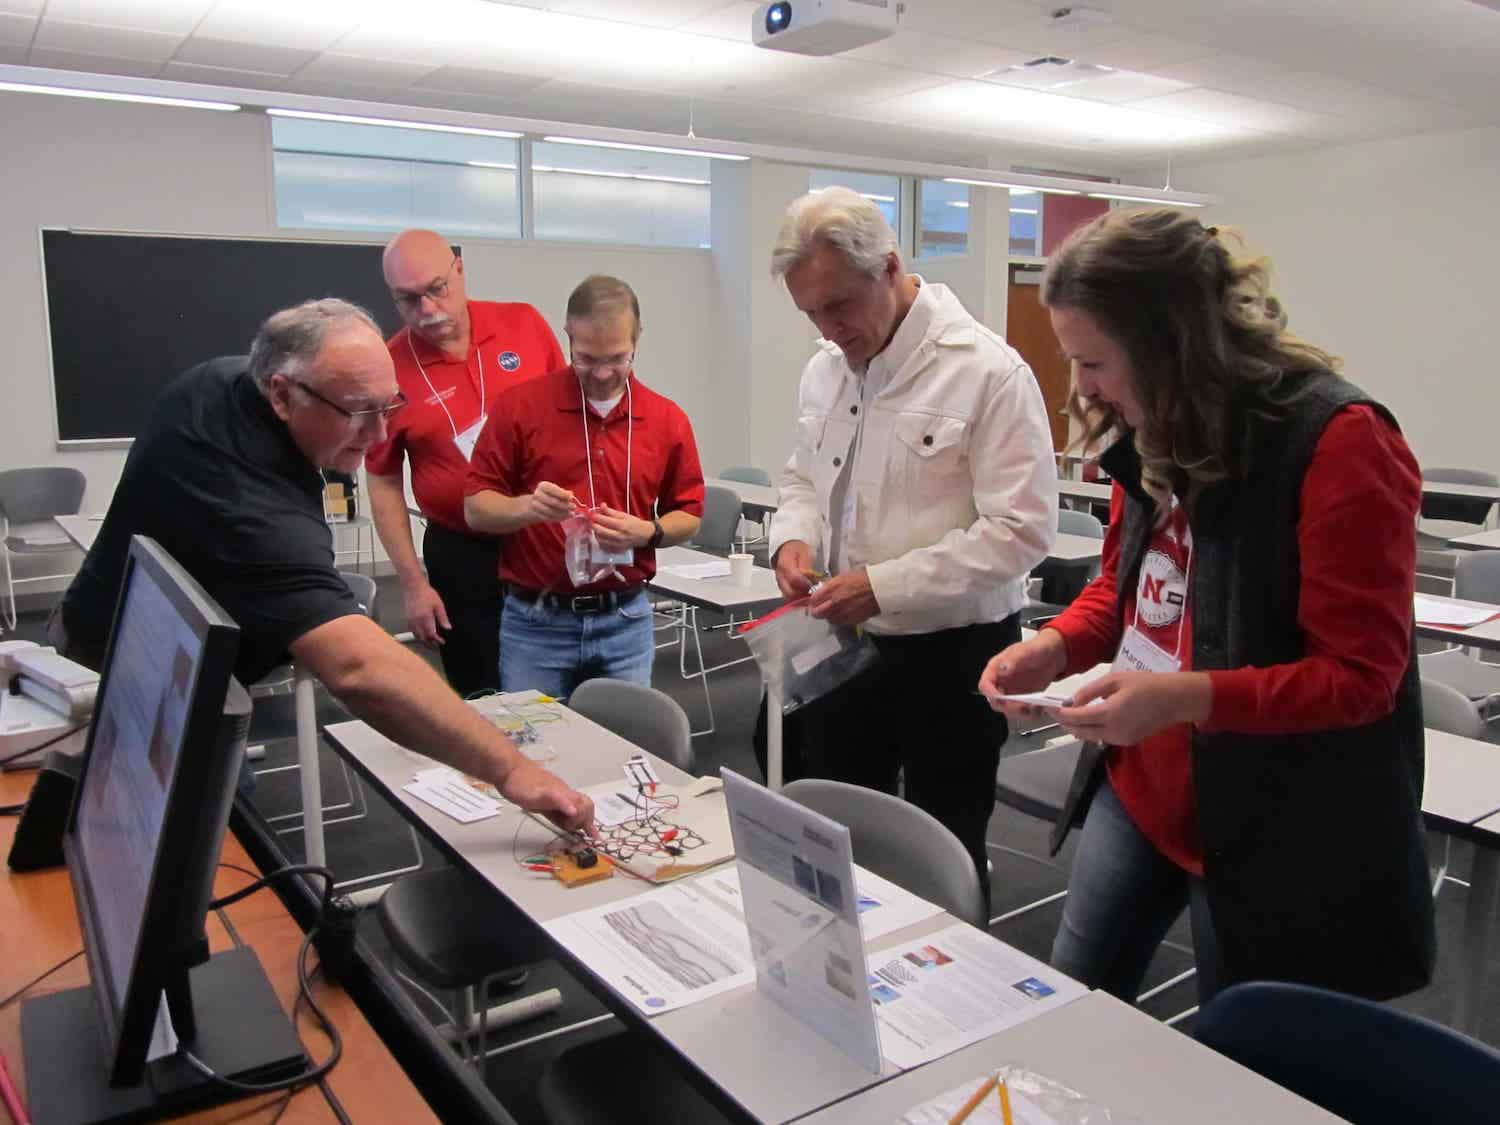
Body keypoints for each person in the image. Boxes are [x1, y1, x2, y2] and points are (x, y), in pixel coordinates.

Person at [978, 207, 1434, 1004]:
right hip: (1143, 788)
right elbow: (1127, 593)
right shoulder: (1151, 425)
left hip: (1271, 823)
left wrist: (1182, 699)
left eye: (1094, 362)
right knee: (1071, 1002)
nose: (1080, 388)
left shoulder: (1339, 440)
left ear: (1172, 346)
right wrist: (1051, 646)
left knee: (1243, 1048)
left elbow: (1361, 679)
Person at [57, 299, 592, 832]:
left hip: (160, 652)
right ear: (284, 394)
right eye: (359, 411)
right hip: (130, 681)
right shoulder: (252, 510)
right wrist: (511, 769)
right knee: (175, 848)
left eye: (390, 406)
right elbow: (358, 669)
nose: (380, 434)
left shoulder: (217, 381)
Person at [767, 186, 1058, 879]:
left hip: (952, 655)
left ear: (890, 268)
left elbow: (1021, 531)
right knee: (838, 829)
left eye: (838, 304)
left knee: (945, 844)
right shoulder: (825, 370)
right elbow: (801, 477)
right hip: (843, 640)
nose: (829, 328)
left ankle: (950, 982)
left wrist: (883, 586)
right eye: (811, 312)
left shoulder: (987, 372)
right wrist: (792, 538)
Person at [464, 275, 704, 699]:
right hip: (536, 623)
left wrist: (649, 531)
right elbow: (475, 508)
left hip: (626, 620)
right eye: (587, 358)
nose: (603, 373)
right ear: (568, 335)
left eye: (618, 358)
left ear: (638, 338)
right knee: (535, 754)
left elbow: (690, 514)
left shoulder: (666, 419)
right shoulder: (520, 407)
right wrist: (528, 508)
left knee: (624, 751)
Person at [365, 229, 567, 697]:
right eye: (409, 300)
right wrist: (412, 584)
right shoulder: (387, 367)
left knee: (554, 682)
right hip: (460, 553)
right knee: (483, 693)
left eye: (437, 289)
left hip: (539, 538)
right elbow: (383, 482)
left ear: (459, 269)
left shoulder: (522, 324)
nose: (429, 310)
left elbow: (567, 421)